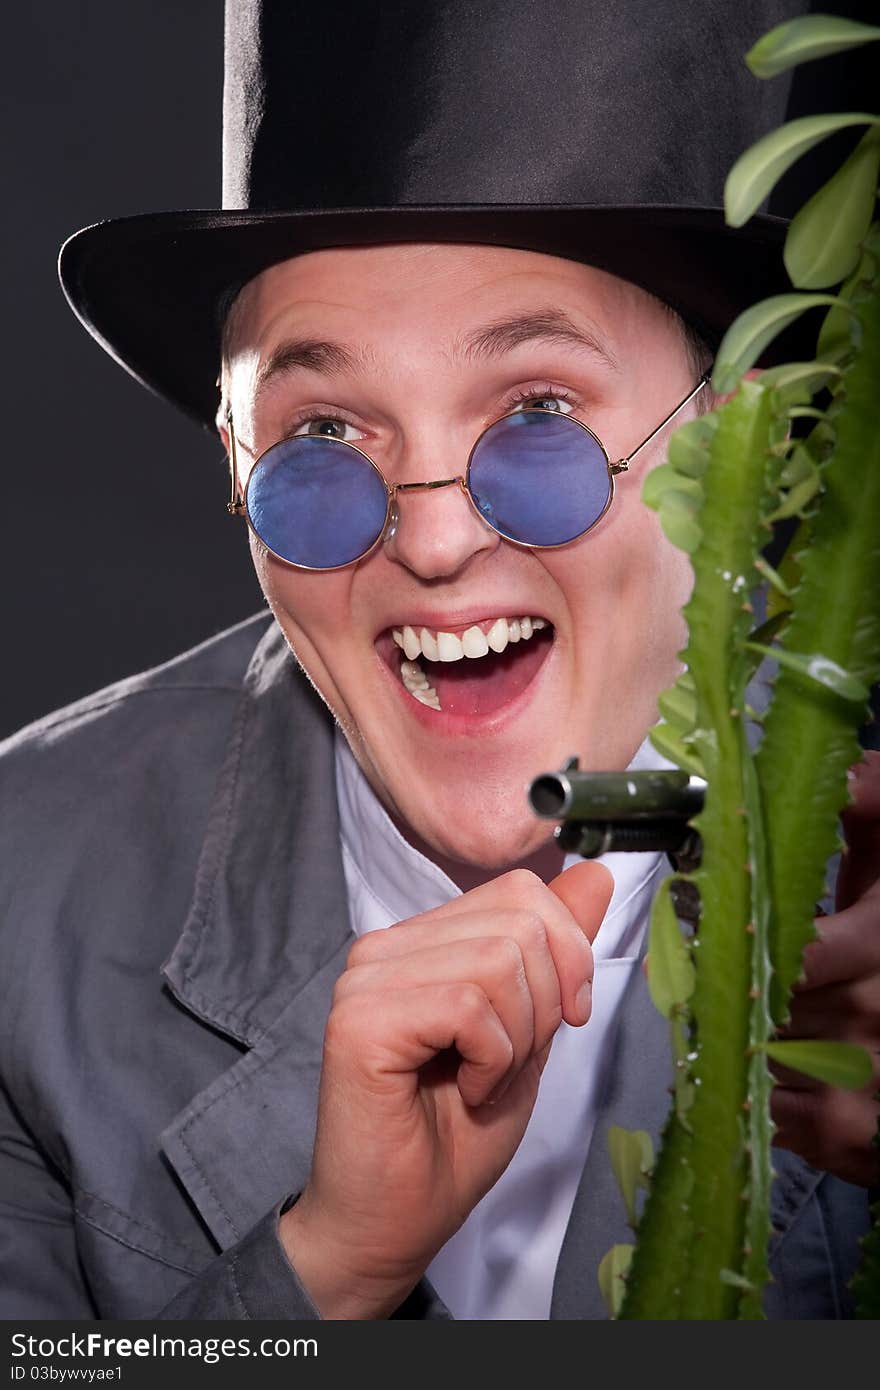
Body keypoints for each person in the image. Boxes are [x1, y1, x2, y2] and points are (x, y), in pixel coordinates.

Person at [1, 0, 877, 1321]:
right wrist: (325, 1269)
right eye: (323, 433)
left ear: (731, 437)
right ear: (234, 472)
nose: (433, 538)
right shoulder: (22, 885)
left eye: (537, 416)